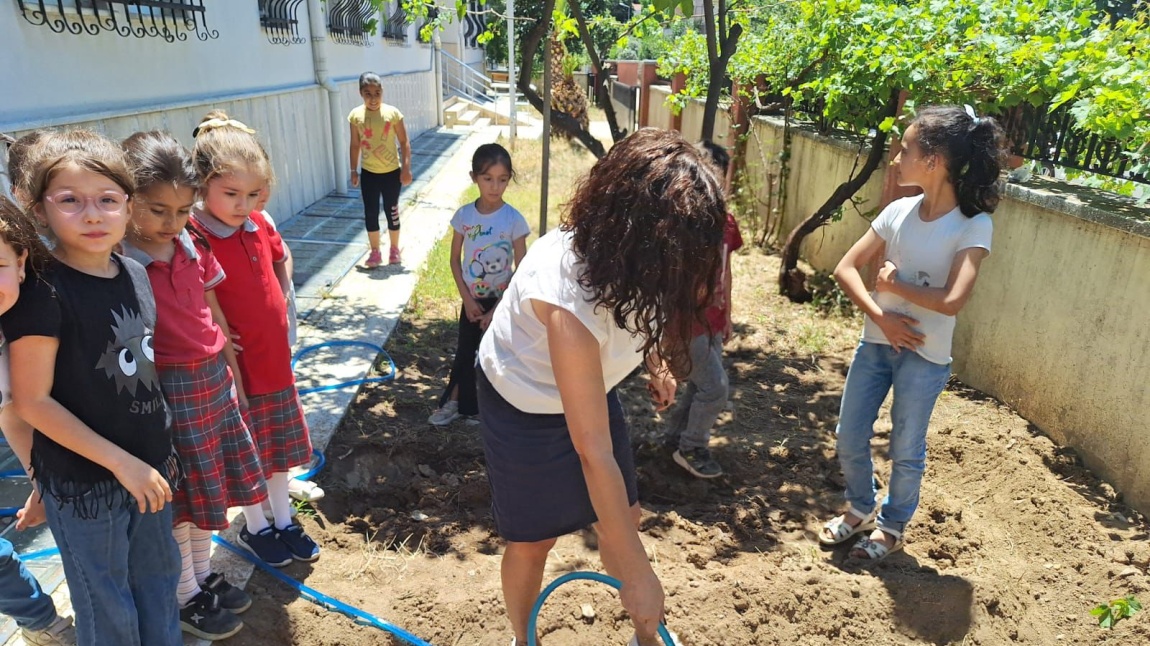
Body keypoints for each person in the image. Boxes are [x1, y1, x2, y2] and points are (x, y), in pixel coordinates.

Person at [476, 129, 726, 645]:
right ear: (636, 235)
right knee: (534, 538)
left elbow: (641, 310)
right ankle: (524, 640)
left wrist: (654, 361)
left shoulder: (646, 262)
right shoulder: (565, 291)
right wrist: (639, 575)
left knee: (625, 517)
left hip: (586, 385)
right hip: (522, 397)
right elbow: (593, 451)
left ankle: (646, 638)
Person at [3, 129, 183, 646]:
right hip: (88, 485)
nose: (92, 214)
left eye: (107, 200)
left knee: (157, 582)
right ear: (39, 210)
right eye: (70, 201)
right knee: (108, 605)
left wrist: (145, 458)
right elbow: (31, 401)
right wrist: (119, 464)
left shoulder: (134, 273)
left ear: (129, 206)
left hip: (148, 468)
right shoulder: (43, 293)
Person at [818, 105, 1005, 561]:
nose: (895, 158)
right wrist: (881, 316)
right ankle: (861, 506)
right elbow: (845, 268)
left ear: (934, 161)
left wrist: (894, 286)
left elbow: (953, 300)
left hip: (925, 355)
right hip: (876, 343)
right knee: (848, 433)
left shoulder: (973, 224)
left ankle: (891, 526)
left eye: (905, 150)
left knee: (905, 446)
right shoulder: (898, 210)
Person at [121, 131, 268, 640]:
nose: (172, 222)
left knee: (212, 495)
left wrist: (231, 371)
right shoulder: (123, 263)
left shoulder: (188, 243)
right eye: (158, 210)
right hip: (173, 390)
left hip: (212, 382)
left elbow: (210, 313)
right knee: (183, 504)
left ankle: (204, 576)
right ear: (128, 200)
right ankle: (186, 594)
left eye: (183, 210)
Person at [188, 111, 320, 566]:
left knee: (278, 449)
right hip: (237, 369)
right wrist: (216, 332)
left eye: (252, 193)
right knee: (249, 450)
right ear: (202, 183)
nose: (243, 204)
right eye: (231, 194)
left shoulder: (259, 224)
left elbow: (281, 259)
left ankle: (283, 518)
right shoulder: (195, 235)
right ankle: (255, 525)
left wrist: (286, 299)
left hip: (273, 360)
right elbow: (190, 296)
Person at [0, 194, 76, 646]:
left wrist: (42, 484)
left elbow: (13, 412)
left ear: (21, 262)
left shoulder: (13, 338)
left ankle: (38, 621)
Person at [428, 143, 528, 426]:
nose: (495, 187)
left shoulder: (514, 220)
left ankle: (483, 410)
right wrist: (469, 302)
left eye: (502, 179)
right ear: (474, 177)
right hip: (472, 303)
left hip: (501, 304)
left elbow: (522, 271)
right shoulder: (464, 217)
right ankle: (455, 403)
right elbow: (454, 261)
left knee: (492, 356)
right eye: (488, 179)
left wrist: (495, 311)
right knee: (465, 352)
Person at [663, 141, 744, 479]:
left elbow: (726, 270)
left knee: (701, 387)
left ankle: (674, 442)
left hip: (712, 321)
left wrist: (727, 315)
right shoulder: (683, 224)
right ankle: (692, 446)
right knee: (715, 388)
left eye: (719, 177)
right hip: (687, 323)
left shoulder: (725, 222)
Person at [348, 71, 412, 267]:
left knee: (391, 210)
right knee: (371, 212)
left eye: (377, 93)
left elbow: (404, 141)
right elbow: (354, 144)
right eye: (368, 93)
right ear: (361, 93)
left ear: (382, 92)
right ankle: (375, 251)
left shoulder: (392, 113)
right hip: (369, 174)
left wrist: (406, 169)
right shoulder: (355, 116)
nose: (373, 98)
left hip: (392, 173)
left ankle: (394, 249)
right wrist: (353, 170)